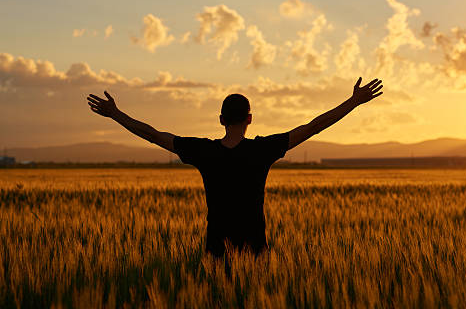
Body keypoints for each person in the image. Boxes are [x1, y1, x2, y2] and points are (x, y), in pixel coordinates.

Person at [87, 77, 383, 257]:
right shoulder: (262, 149)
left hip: (215, 249)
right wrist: (354, 101)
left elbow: (153, 135)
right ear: (250, 119)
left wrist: (115, 114)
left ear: (220, 119)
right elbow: (314, 126)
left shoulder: (203, 151)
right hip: (257, 248)